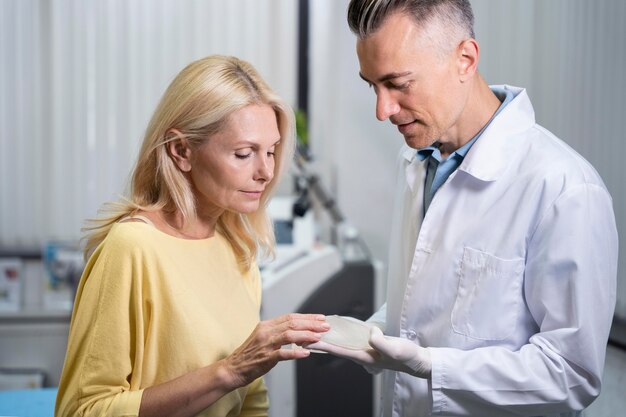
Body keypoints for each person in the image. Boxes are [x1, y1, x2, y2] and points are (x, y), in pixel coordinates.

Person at [307, 1, 619, 416]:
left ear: (465, 60)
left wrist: (434, 366)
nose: (382, 110)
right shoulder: (417, 163)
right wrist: (373, 332)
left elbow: (571, 374)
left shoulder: (564, 189)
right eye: (372, 86)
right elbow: (426, 299)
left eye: (398, 83)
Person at [55, 55, 330, 417]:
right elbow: (83, 410)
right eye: (244, 153)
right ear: (181, 150)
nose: (265, 171)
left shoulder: (238, 249)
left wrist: (242, 373)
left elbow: (251, 397)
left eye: (272, 152)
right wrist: (229, 370)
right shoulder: (132, 249)